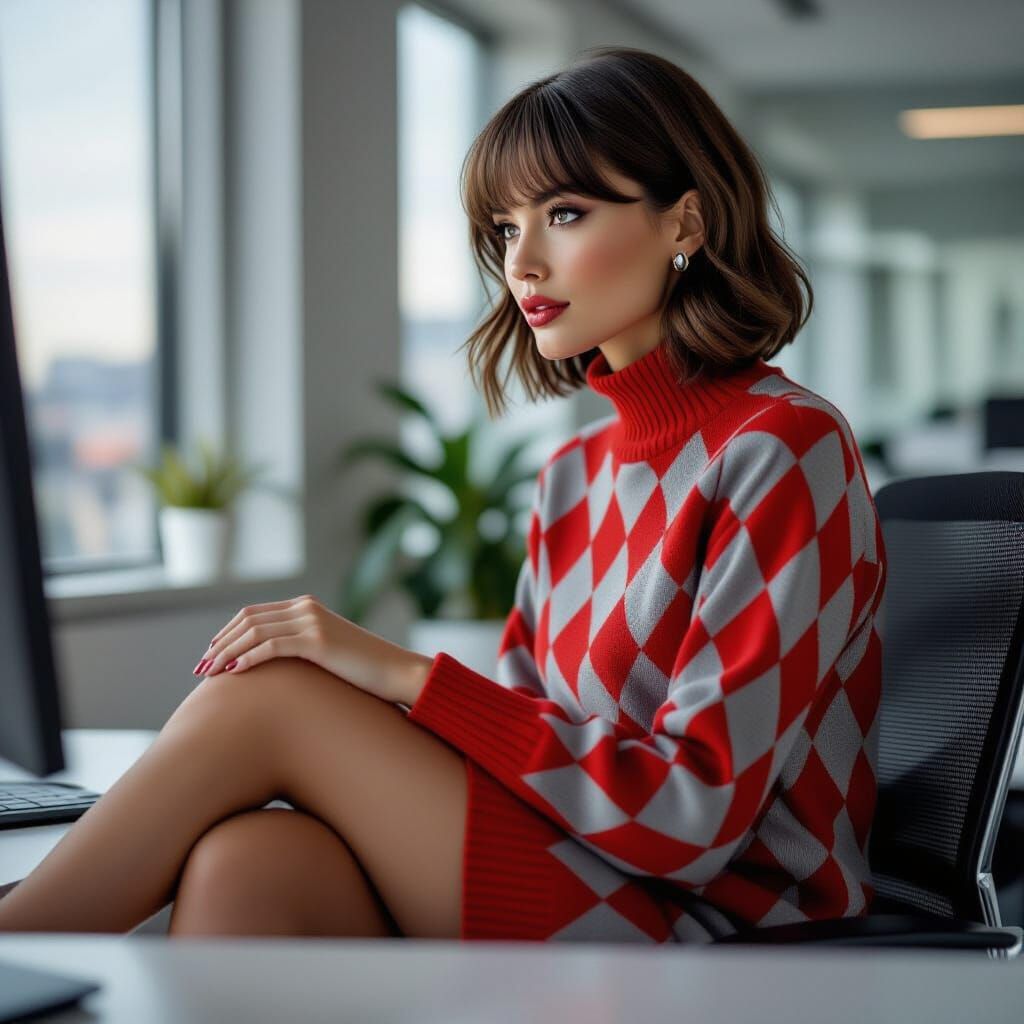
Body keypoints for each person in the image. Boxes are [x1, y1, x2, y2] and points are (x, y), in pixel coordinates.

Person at [0, 45, 886, 944]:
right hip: (593, 872)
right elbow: (525, 744)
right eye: (504, 228)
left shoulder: (783, 447)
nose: (522, 262)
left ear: (684, 223)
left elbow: (691, 819)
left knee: (271, 698)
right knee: (250, 858)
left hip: (724, 926)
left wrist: (399, 675)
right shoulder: (572, 475)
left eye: (565, 213)